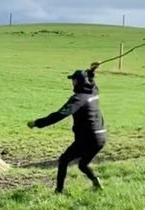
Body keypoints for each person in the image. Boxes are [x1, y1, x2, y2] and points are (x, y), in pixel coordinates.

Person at [27, 62, 106, 193]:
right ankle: (96, 182)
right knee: (82, 165)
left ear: (77, 82)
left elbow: (60, 115)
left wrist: (37, 123)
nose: (72, 83)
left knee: (63, 160)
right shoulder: (93, 92)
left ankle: (59, 191)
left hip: (88, 138)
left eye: (73, 80)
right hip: (101, 137)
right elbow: (91, 83)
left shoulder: (78, 99)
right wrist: (91, 72)